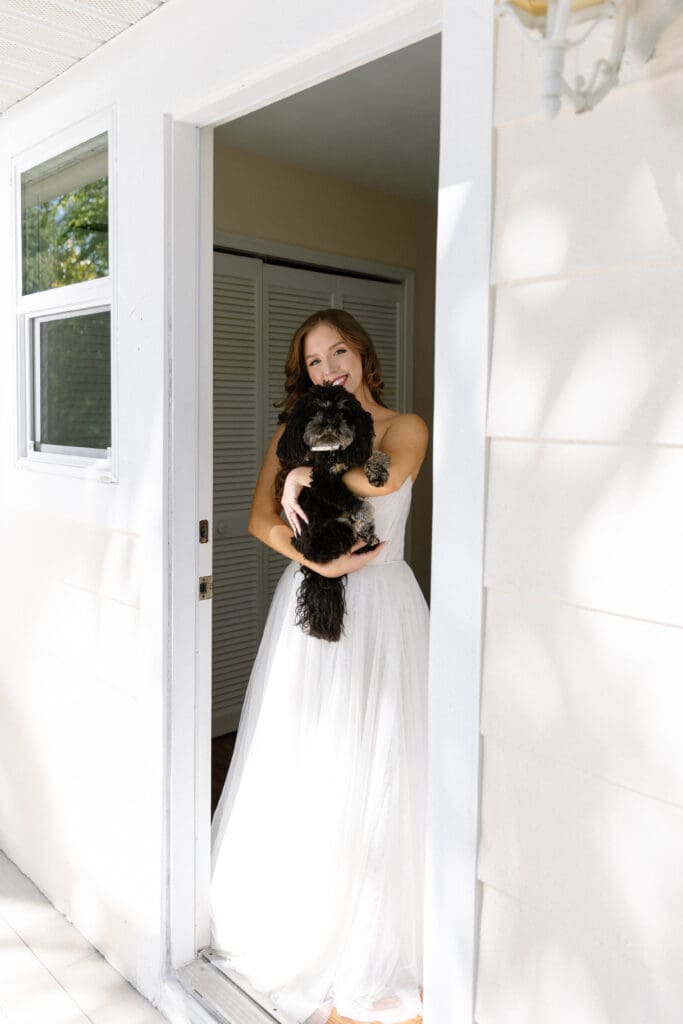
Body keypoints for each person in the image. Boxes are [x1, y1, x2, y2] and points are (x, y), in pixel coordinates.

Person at [210, 309, 429, 1024]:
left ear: (363, 355)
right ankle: (296, 910)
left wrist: (310, 465)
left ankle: (378, 928)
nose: (328, 367)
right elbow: (257, 518)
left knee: (383, 756)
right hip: (312, 602)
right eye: (312, 361)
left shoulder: (405, 425)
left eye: (338, 352)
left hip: (384, 606)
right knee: (306, 753)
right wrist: (312, 556)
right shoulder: (289, 431)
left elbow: (377, 479)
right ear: (301, 373)